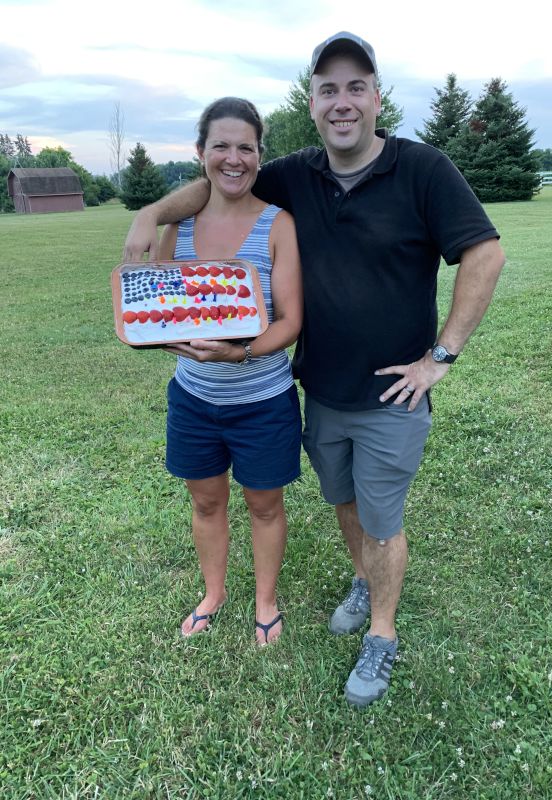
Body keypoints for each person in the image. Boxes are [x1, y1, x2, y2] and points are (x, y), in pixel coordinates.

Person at [123, 34, 505, 706]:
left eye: (356, 86)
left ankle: (381, 636)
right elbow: (217, 180)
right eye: (328, 88)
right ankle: (364, 580)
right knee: (345, 502)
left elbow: (485, 254)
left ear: (376, 97)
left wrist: (440, 357)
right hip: (321, 391)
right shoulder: (294, 174)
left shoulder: (422, 169)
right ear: (314, 101)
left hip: (391, 393)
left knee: (383, 518)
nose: (342, 101)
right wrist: (152, 213)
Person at [156, 97, 303, 646]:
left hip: (263, 399)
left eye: (246, 147)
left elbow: (291, 320)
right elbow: (160, 309)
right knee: (205, 499)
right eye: (221, 145)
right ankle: (214, 592)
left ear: (260, 156)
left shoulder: (277, 224)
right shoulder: (180, 226)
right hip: (194, 397)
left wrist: (241, 353)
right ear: (201, 153)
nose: (233, 158)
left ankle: (265, 600)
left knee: (264, 503)